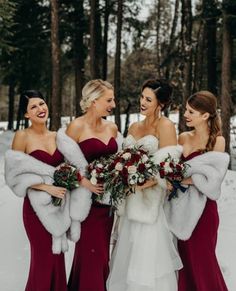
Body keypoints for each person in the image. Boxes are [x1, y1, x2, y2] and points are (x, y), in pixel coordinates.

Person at [107, 79, 183, 291]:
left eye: (148, 99)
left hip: (148, 206)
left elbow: (165, 170)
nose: (142, 102)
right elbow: (123, 160)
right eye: (142, 97)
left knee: (145, 263)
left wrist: (137, 186)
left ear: (161, 104)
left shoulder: (165, 126)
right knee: (125, 258)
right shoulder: (134, 126)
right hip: (127, 204)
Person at [9, 90, 68, 291]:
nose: (40, 109)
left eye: (42, 103)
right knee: (43, 260)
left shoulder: (57, 136)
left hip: (58, 208)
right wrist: (45, 187)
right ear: (26, 114)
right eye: (33, 107)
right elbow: (13, 174)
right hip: (35, 210)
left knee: (57, 260)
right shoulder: (22, 137)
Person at [65, 79, 119, 291]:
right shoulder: (76, 127)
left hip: (108, 205)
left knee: (102, 255)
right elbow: (62, 167)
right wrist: (84, 182)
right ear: (93, 101)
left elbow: (118, 161)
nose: (113, 104)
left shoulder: (112, 127)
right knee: (89, 256)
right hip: (86, 206)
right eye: (109, 100)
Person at [176, 91, 228, 291]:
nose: (185, 115)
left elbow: (212, 182)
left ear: (205, 115)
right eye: (186, 110)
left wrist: (183, 178)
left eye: (191, 112)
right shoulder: (182, 138)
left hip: (205, 212)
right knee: (185, 263)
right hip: (180, 210)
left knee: (203, 262)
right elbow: (173, 170)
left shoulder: (217, 141)